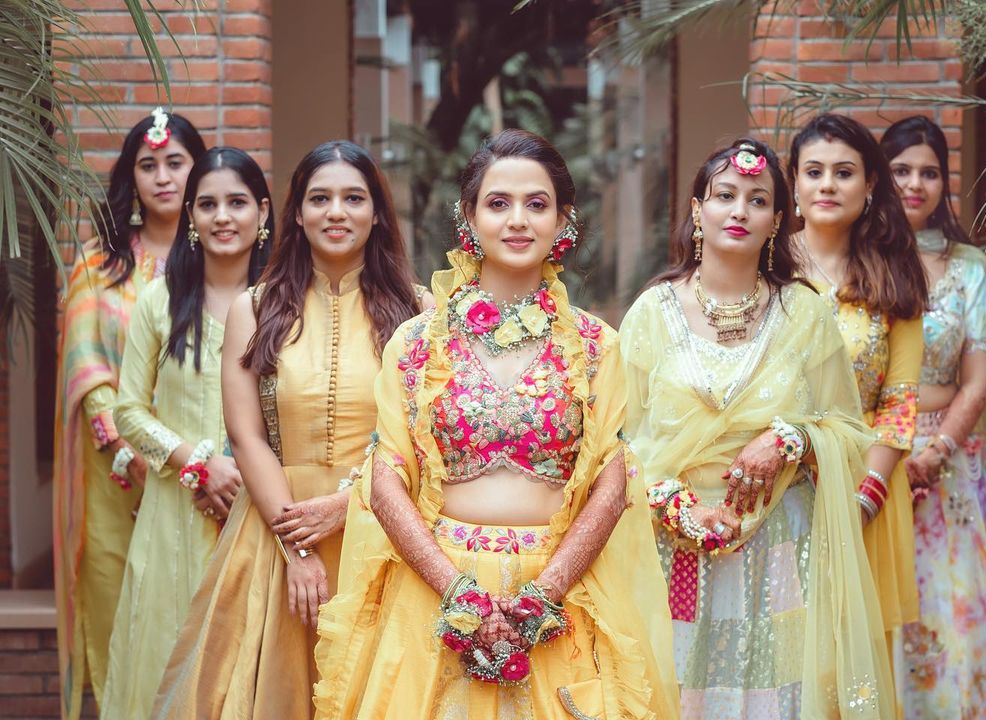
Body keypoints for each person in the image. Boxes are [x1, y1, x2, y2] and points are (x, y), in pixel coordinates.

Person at [313, 129, 678, 719]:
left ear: (564, 221)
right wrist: (457, 591)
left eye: (537, 204)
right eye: (498, 203)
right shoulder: (415, 344)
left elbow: (612, 484)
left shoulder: (595, 346)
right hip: (433, 588)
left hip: (557, 595)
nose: (518, 220)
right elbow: (386, 480)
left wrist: (542, 596)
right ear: (469, 218)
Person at [623, 138, 894, 719]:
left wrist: (790, 438)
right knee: (680, 694)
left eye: (757, 199)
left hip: (781, 548)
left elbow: (848, 427)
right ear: (698, 210)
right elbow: (620, 443)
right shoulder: (652, 313)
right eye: (725, 195)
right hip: (676, 547)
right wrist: (675, 506)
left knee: (782, 696)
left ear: (778, 218)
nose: (739, 211)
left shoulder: (805, 311)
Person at [153, 141, 424, 719]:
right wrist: (295, 547)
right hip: (279, 530)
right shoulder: (254, 309)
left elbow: (423, 440)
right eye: (319, 198)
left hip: (385, 529)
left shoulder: (420, 312)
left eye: (354, 198)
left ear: (377, 212)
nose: (336, 212)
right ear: (295, 213)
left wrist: (347, 507)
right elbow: (247, 436)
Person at [99, 147, 273, 718]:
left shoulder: (284, 305)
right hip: (175, 514)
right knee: (167, 657)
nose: (223, 217)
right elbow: (129, 411)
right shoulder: (162, 300)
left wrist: (251, 476)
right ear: (192, 219)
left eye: (237, 203)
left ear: (264, 212)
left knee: (247, 664)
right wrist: (197, 461)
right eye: (209, 205)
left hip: (262, 511)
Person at [881, 115, 986, 717]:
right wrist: (891, 453)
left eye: (929, 172)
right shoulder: (860, 261)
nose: (915, 184)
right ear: (879, 178)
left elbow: (975, 383)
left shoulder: (969, 268)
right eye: (900, 170)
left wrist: (935, 451)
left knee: (951, 610)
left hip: (947, 471)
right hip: (874, 462)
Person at [53, 107, 206, 720]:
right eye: (149, 165)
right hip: (117, 467)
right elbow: (88, 369)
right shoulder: (101, 265)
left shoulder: (225, 260)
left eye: (176, 163)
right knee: (123, 602)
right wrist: (131, 452)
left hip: (209, 469)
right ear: (131, 178)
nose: (164, 177)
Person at [789, 113, 927, 683]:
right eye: (813, 171)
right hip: (778, 486)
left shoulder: (894, 275)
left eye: (843, 173)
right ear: (792, 184)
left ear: (870, 184)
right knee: (780, 649)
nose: (827, 185)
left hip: (866, 492)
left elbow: (899, 402)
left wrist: (860, 501)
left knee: (851, 665)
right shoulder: (764, 269)